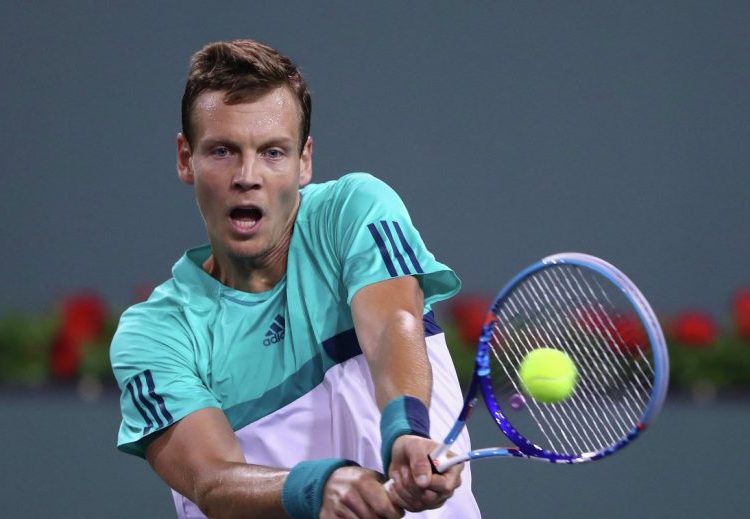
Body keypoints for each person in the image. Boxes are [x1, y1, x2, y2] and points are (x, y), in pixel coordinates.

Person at [110, 38, 480, 519]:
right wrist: (318, 488)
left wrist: (406, 430)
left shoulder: (352, 211)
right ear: (185, 158)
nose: (247, 176)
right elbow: (211, 481)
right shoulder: (156, 334)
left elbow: (395, 323)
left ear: (304, 160)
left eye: (272, 152)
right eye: (222, 151)